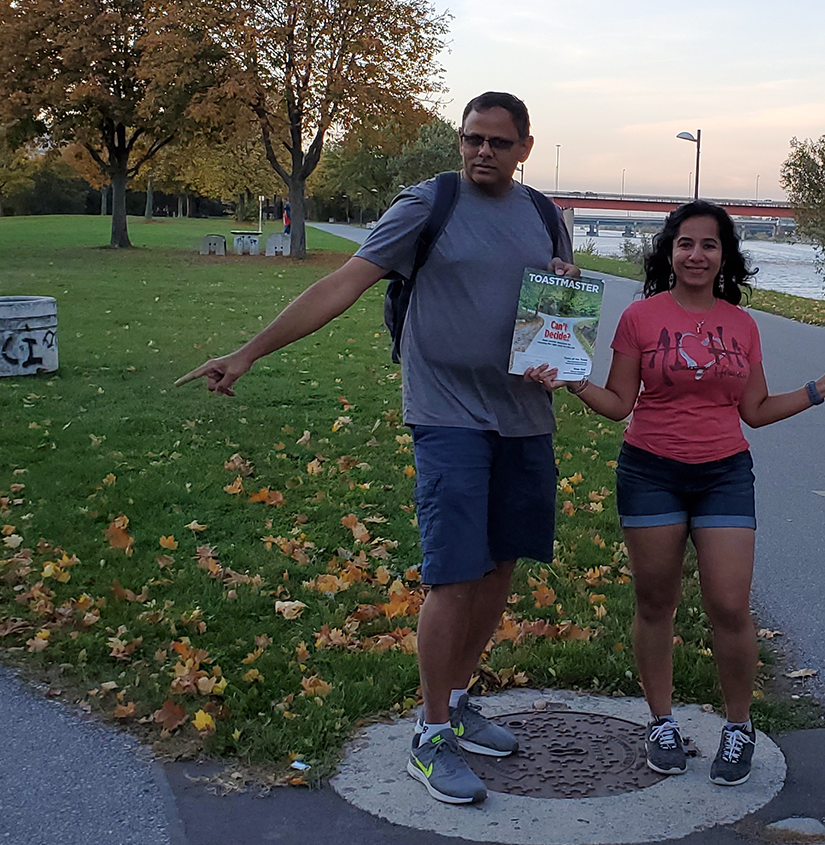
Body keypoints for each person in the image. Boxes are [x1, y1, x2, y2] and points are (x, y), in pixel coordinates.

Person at [180, 92, 576, 806]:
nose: (481, 151)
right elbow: (341, 283)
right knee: (454, 574)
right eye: (470, 139)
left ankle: (456, 699)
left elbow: (554, 309)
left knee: (499, 570)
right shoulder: (428, 205)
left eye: (496, 141)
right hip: (447, 415)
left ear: (523, 146)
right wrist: (248, 353)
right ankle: (428, 739)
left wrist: (564, 318)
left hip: (525, 417)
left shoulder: (545, 215)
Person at [525, 200, 825, 788]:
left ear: (724, 255)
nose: (696, 254)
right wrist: (571, 380)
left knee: (729, 604)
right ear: (669, 251)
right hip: (650, 470)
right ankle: (661, 722)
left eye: (709, 245)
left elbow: (753, 411)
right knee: (657, 604)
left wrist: (818, 389)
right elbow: (618, 405)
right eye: (686, 243)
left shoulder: (741, 325)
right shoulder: (640, 318)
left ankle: (738, 725)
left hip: (724, 472)